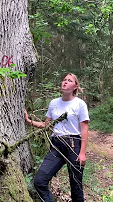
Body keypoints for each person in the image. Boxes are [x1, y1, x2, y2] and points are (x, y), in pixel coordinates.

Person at [24, 73, 90, 202]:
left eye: (69, 80)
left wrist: (82, 153)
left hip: (73, 145)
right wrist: (28, 121)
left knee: (76, 186)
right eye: (64, 79)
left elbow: (84, 129)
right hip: (56, 146)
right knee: (39, 181)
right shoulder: (54, 103)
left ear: (75, 86)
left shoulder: (79, 104)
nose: (65, 82)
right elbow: (46, 125)